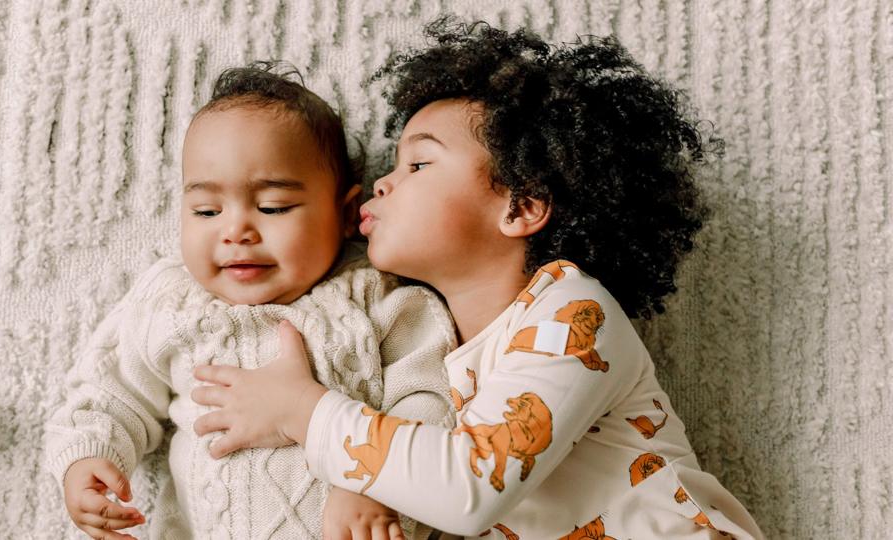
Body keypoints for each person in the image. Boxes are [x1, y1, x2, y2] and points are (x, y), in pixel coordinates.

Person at [190, 20, 766, 539]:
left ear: (519, 207)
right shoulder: (427, 345)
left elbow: (469, 488)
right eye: (390, 166)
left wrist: (303, 409)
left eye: (417, 164)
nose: (382, 185)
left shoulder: (570, 312)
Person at [44, 63, 456, 540]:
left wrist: (372, 476)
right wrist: (89, 459)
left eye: (273, 208)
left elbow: (432, 399)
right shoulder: (171, 301)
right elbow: (109, 393)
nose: (236, 231)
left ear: (346, 214)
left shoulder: (381, 296)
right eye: (206, 211)